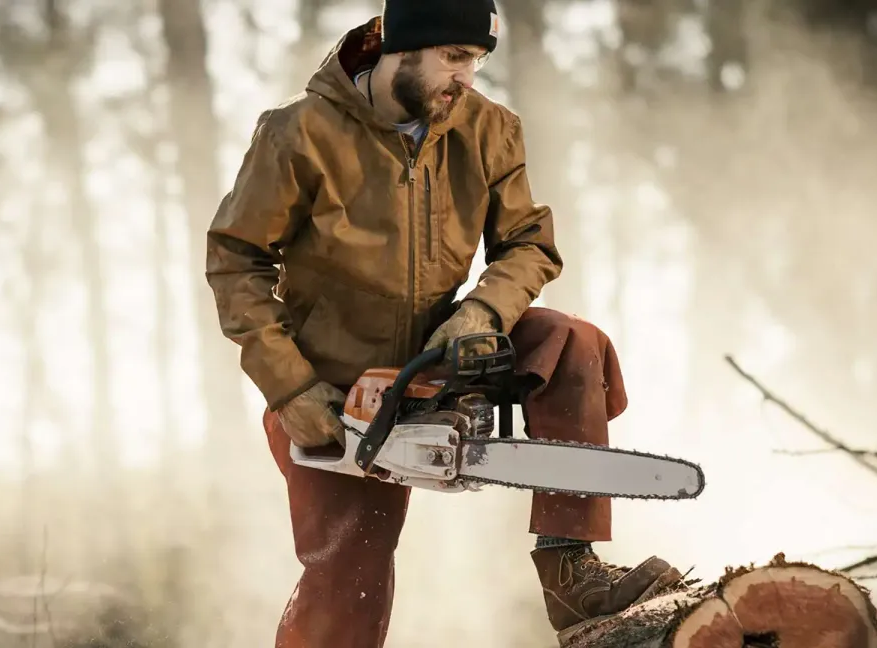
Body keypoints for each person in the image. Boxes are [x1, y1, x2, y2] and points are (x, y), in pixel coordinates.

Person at [203, 1, 684, 645]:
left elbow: (528, 244)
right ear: (401, 50)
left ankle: (570, 569)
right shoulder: (299, 132)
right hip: (334, 393)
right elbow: (236, 263)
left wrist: (482, 311)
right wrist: (289, 387)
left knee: (572, 343)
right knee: (348, 585)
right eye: (454, 58)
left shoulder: (489, 129)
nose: (468, 77)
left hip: (443, 362)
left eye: (477, 61)